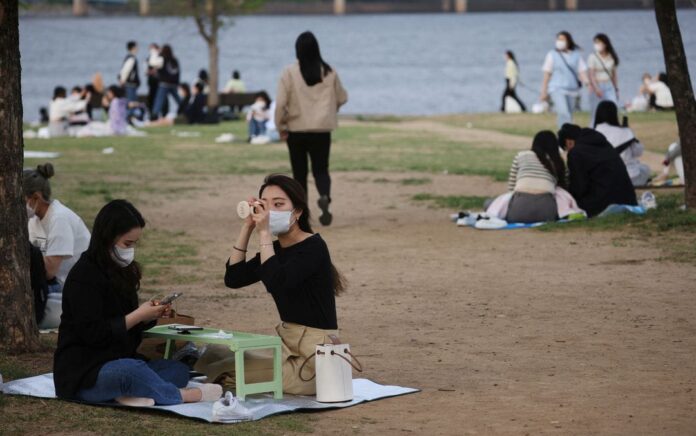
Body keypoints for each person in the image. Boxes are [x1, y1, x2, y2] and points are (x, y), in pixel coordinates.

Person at [53, 200, 222, 406]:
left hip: (122, 359)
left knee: (176, 370)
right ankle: (182, 395)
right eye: (127, 244)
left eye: (134, 244)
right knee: (129, 371)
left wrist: (150, 316)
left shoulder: (121, 271)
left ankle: (128, 395)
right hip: (88, 371)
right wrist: (138, 316)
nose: (130, 250)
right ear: (107, 238)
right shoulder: (84, 276)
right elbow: (93, 333)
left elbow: (127, 325)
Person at [194, 174, 346, 395]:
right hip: (286, 346)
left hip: (315, 355)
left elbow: (278, 282)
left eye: (279, 204)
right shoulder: (273, 250)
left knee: (233, 371)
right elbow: (234, 279)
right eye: (265, 205)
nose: (270, 211)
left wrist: (264, 233)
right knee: (218, 354)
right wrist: (247, 228)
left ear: (298, 211)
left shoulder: (313, 247)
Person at [275, 31, 348, 226]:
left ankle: (303, 216)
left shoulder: (289, 72)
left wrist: (280, 126)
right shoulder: (329, 72)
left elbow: (281, 103)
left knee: (299, 173)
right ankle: (324, 196)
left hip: (296, 130)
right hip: (322, 130)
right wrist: (330, 111)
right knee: (321, 170)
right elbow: (342, 98)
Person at [24, 163, 91, 329]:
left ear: (36, 197)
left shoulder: (59, 219)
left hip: (73, 290)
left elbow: (48, 271)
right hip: (55, 287)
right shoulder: (34, 219)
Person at [558, 123, 637, 217]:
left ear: (568, 142)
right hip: (627, 198)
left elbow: (579, 187)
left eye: (567, 149)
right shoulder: (602, 142)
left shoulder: (575, 153)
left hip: (603, 203)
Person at [505, 131, 567, 223]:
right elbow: (565, 186)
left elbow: (511, 188)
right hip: (548, 213)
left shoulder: (521, 155)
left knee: (490, 203)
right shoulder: (557, 161)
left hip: (517, 213)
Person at [594, 101, 651, 186]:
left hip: (605, 180)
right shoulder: (625, 131)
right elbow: (638, 152)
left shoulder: (593, 133)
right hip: (630, 178)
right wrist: (629, 132)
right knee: (646, 169)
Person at [540, 31, 589, 128]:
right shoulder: (552, 54)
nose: (559, 41)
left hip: (572, 90)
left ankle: (565, 136)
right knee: (564, 112)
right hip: (556, 89)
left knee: (569, 115)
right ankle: (563, 136)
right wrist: (543, 92)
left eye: (562, 39)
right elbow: (547, 74)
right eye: (558, 39)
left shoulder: (576, 55)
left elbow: (582, 71)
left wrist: (588, 83)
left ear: (568, 41)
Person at [587, 33, 619, 125]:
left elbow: (614, 74)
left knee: (613, 108)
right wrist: (596, 88)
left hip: (609, 85)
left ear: (605, 43)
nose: (596, 45)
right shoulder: (592, 57)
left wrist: (616, 88)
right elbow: (591, 74)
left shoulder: (611, 56)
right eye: (595, 42)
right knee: (595, 112)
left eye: (598, 42)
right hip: (597, 86)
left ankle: (613, 129)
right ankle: (593, 131)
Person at [151, 44, 181, 120]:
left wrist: (155, 53)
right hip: (173, 83)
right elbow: (178, 72)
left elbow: (153, 63)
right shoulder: (174, 60)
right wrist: (177, 83)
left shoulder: (163, 59)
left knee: (159, 100)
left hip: (164, 83)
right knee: (178, 99)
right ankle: (185, 110)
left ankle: (154, 115)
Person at [119, 41, 140, 117]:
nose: (138, 48)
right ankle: (129, 117)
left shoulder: (129, 57)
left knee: (132, 101)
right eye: (136, 47)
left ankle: (131, 117)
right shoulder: (131, 58)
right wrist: (123, 80)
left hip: (130, 84)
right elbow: (125, 70)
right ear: (133, 48)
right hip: (130, 84)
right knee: (131, 102)